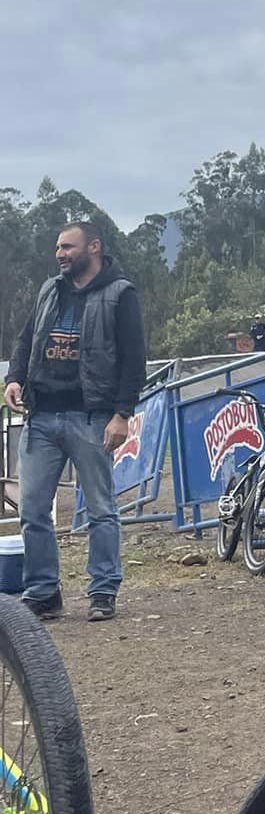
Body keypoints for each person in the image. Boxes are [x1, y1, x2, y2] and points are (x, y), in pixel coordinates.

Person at [3, 221, 145, 622]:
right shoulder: (50, 290)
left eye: (68, 247)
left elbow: (134, 360)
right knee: (33, 509)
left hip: (91, 417)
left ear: (93, 247)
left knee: (101, 508)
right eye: (58, 248)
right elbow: (26, 339)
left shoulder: (121, 294)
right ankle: (43, 592)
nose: (60, 254)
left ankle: (103, 591)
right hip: (41, 416)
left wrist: (122, 414)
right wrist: (14, 378)